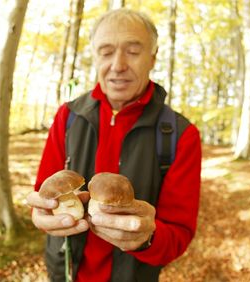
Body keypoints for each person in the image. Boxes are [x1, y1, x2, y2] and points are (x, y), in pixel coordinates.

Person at [26, 8, 201, 282]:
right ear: (95, 57)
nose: (118, 65)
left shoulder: (181, 134)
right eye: (106, 52)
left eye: (133, 51)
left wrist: (147, 237)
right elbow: (43, 194)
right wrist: (40, 214)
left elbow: (179, 233)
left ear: (152, 58)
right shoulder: (68, 117)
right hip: (66, 273)